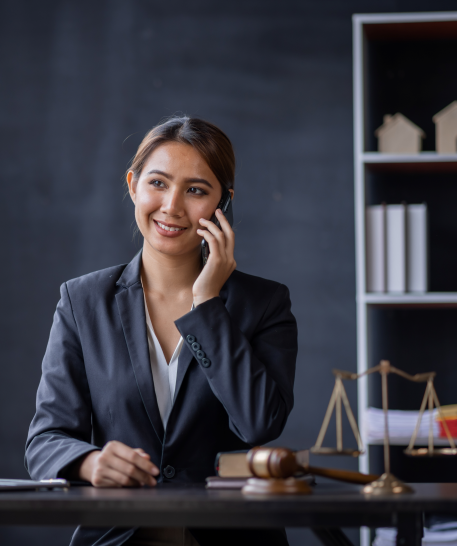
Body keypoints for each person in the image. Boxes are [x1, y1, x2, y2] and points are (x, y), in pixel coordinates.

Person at [25, 116, 297, 546]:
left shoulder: (264, 304)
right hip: (118, 536)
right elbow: (46, 439)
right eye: (158, 183)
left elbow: (259, 423)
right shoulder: (83, 301)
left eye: (195, 190)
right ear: (133, 184)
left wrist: (207, 303)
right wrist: (89, 463)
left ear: (222, 203)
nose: (171, 205)